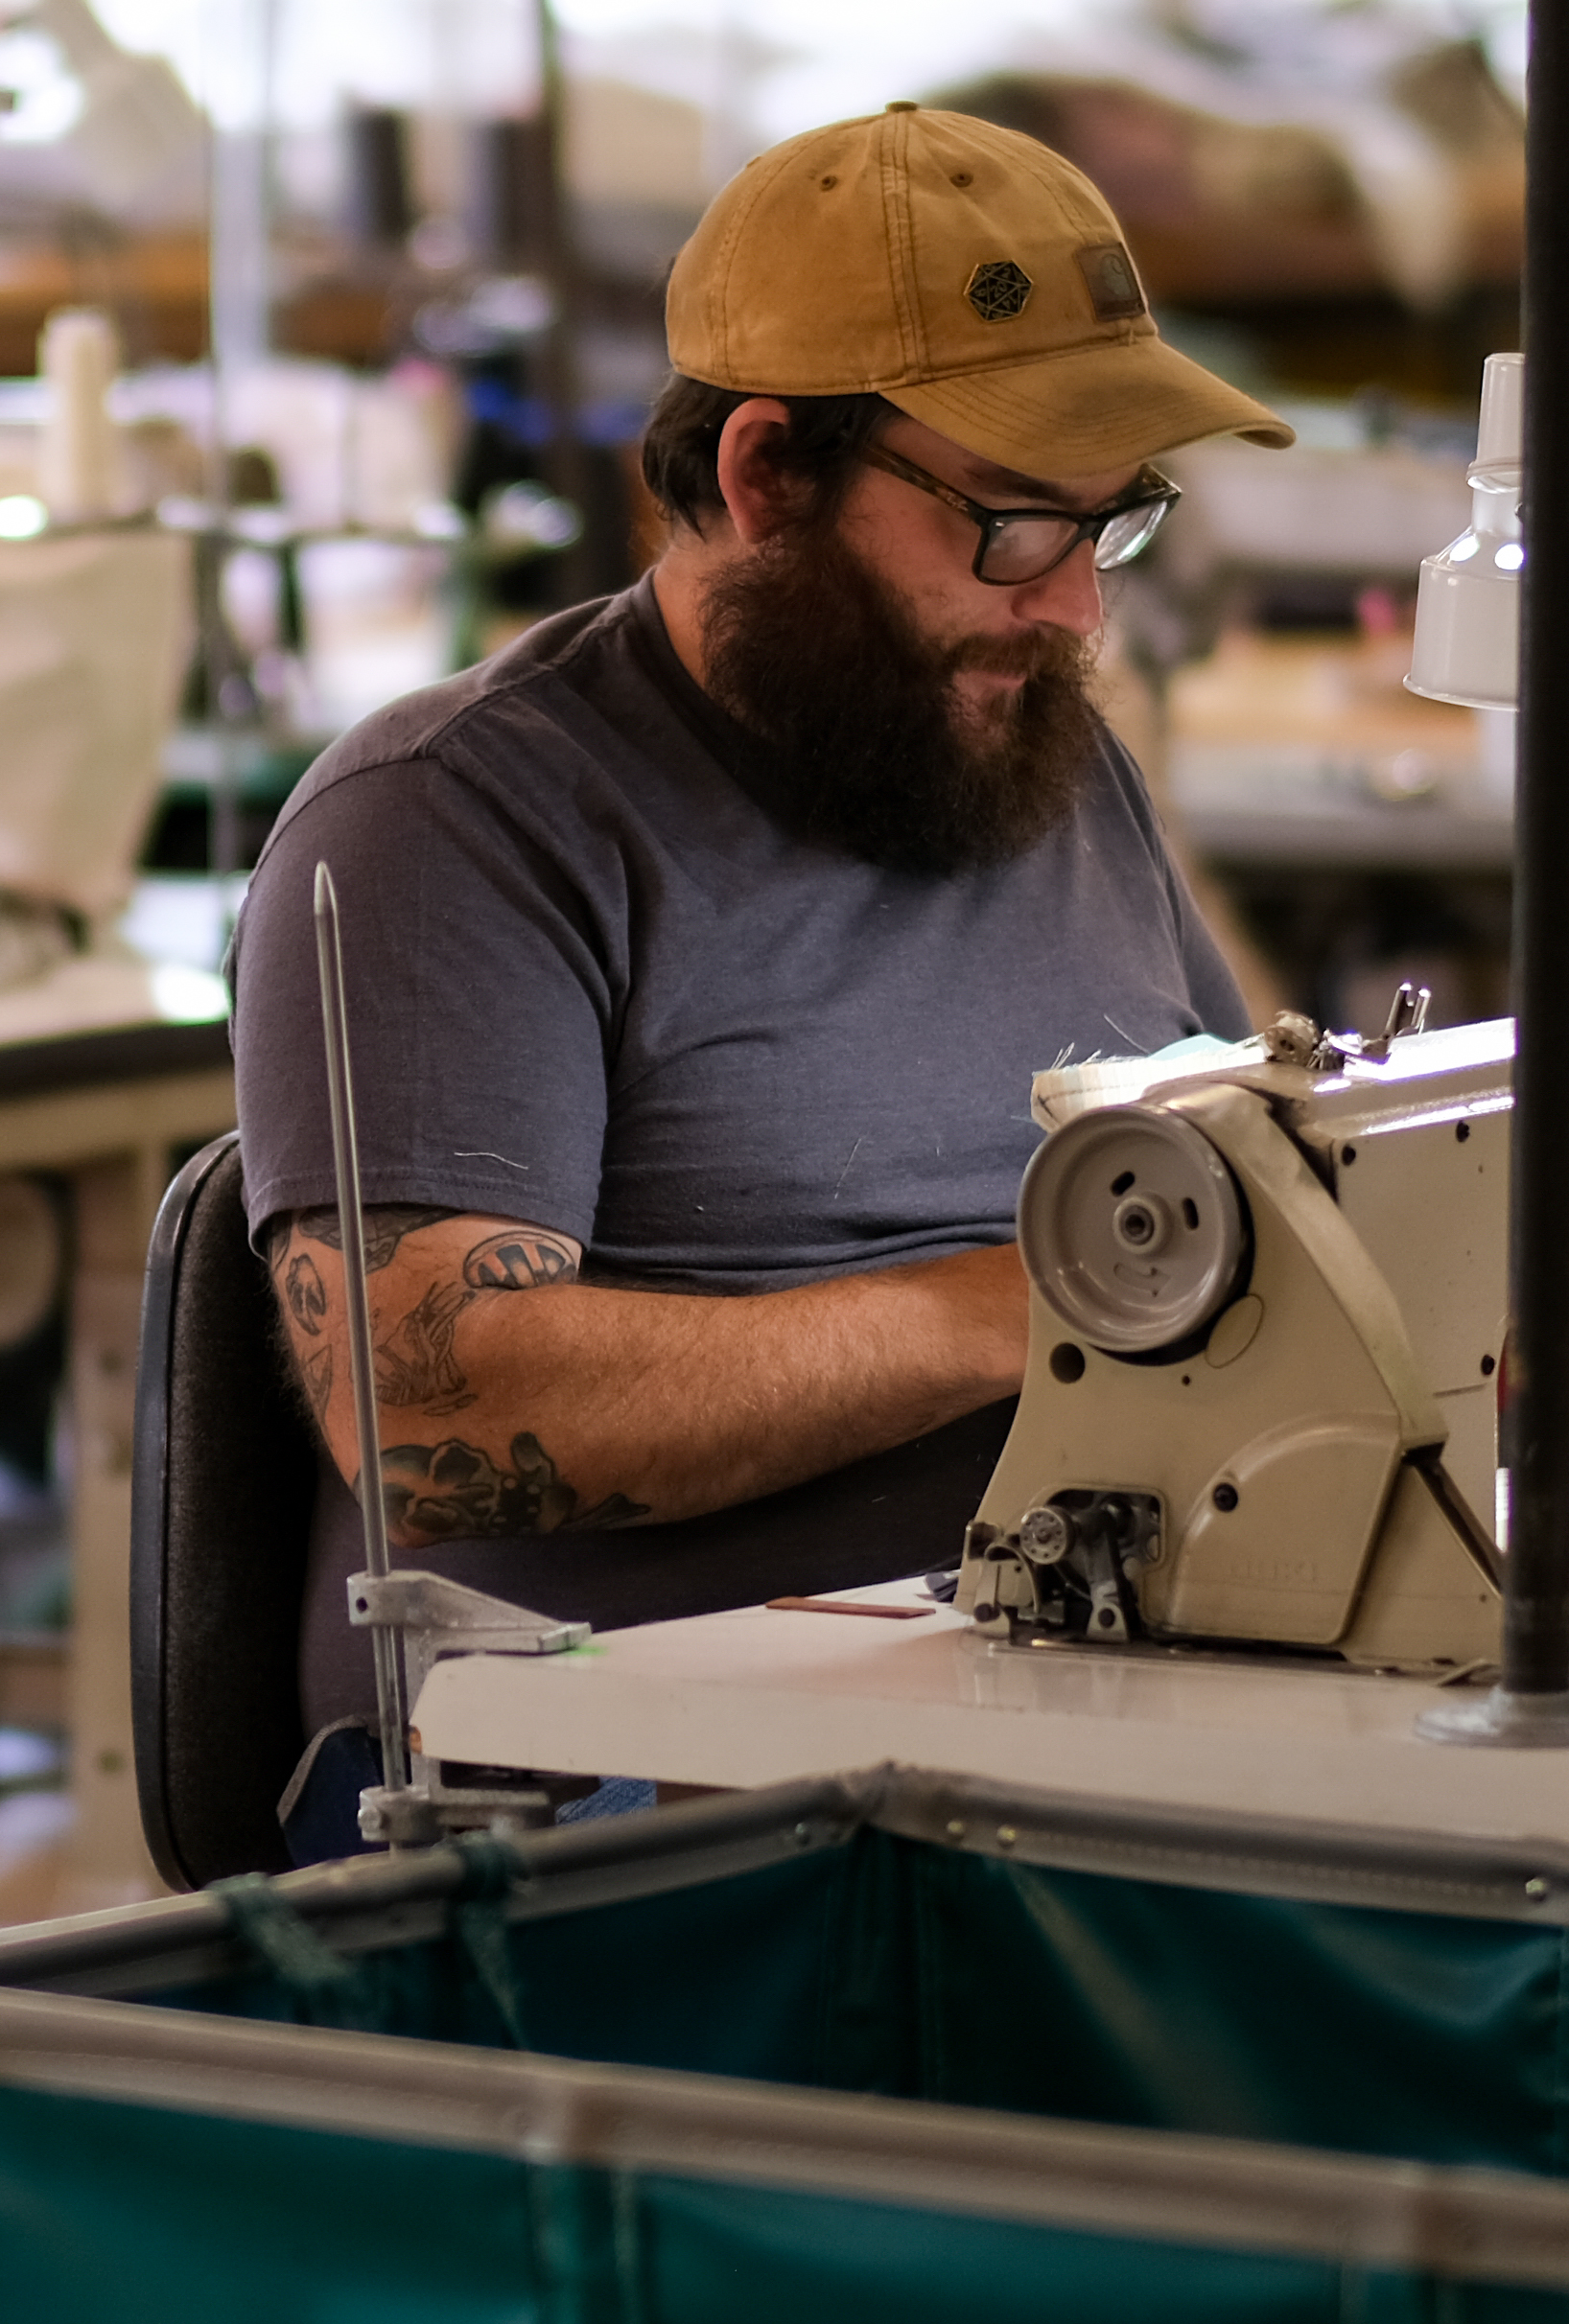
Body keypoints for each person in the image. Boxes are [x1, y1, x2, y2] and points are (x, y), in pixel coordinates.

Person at [227, 104, 1282, 1829]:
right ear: (763, 473)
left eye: (1115, 525)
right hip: (646, 1804)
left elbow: (1255, 1190)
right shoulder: (453, 827)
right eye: (1014, 527)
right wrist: (1014, 1309)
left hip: (1064, 1703)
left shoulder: (1036, 756)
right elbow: (434, 1416)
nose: (1077, 609)